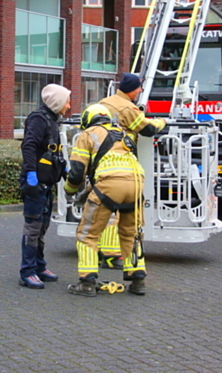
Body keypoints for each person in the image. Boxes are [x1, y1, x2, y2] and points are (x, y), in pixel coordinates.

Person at [64, 104, 147, 296]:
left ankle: (87, 283)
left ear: (87, 120)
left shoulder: (88, 134)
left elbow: (77, 172)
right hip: (135, 185)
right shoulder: (124, 134)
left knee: (88, 235)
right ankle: (137, 281)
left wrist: (69, 191)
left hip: (109, 186)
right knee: (131, 234)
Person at [96, 73, 167, 269]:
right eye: (138, 88)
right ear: (131, 89)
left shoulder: (104, 102)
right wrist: (162, 122)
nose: (140, 91)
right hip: (121, 162)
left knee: (103, 210)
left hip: (100, 160)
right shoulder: (128, 108)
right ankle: (112, 255)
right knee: (119, 213)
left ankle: (103, 251)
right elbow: (146, 129)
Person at [19, 83, 71, 289]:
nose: (69, 105)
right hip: (36, 183)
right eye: (67, 101)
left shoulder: (52, 120)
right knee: (32, 227)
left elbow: (53, 152)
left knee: (42, 227)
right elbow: (29, 146)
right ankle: (27, 271)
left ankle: (39, 266)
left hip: (45, 182)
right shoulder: (38, 119)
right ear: (57, 101)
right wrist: (31, 173)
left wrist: (64, 170)